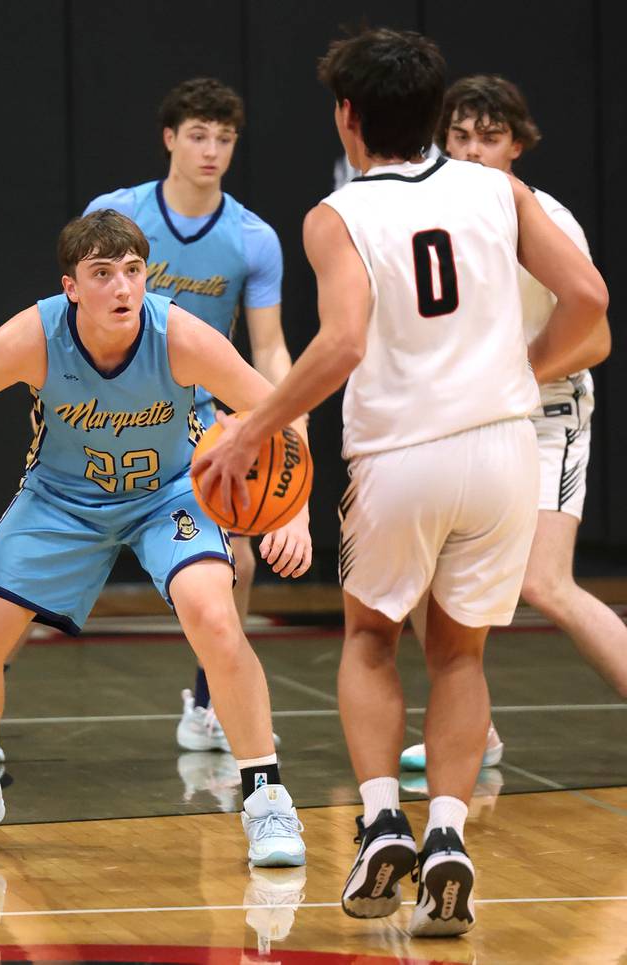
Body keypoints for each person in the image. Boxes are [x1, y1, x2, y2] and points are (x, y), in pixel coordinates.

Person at [192, 27, 607, 936]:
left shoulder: (337, 215)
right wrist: (517, 372)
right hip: (503, 451)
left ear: (348, 115)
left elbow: (339, 344)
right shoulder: (499, 188)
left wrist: (254, 427)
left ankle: (383, 818)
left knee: (372, 637)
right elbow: (590, 300)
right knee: (460, 652)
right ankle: (451, 837)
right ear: (433, 112)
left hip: (401, 454)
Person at [0, 209, 309, 869]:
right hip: (61, 498)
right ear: (71, 286)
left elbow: (276, 407)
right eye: (102, 273)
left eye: (133, 271)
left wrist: (293, 512)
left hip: (170, 492)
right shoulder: (34, 335)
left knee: (215, 614)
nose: (122, 287)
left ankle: (266, 798)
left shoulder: (179, 334)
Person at [81, 77, 305, 753]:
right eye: (199, 135)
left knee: (237, 551)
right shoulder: (117, 217)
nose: (212, 151)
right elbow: (74, 313)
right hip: (109, 404)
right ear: (170, 138)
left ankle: (210, 703)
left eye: (225, 138)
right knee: (42, 558)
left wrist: (292, 448)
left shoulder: (251, 237)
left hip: (201, 415)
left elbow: (268, 349)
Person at [400, 75, 616, 773]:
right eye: (458, 136)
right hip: (471, 417)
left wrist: (517, 372)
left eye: (488, 137)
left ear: (517, 145)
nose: (470, 150)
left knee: (546, 584)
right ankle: (476, 729)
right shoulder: (426, 215)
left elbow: (596, 339)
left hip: (547, 411)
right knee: (416, 574)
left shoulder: (543, 216)